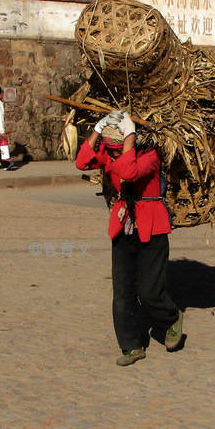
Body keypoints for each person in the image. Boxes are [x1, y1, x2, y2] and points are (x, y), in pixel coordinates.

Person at [76, 110, 183, 366]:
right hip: (123, 225)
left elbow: (128, 171)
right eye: (109, 150)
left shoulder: (152, 155)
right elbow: (82, 162)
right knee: (122, 292)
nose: (111, 155)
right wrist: (98, 129)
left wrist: (130, 135)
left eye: (115, 149)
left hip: (151, 226)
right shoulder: (112, 150)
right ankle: (131, 346)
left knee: (149, 291)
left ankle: (171, 318)